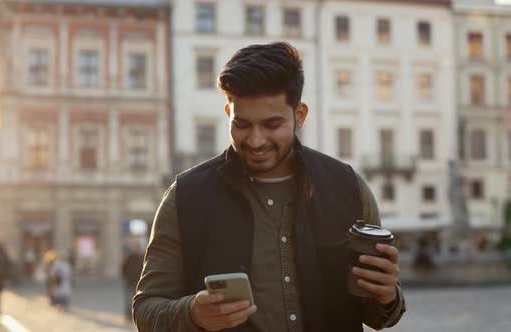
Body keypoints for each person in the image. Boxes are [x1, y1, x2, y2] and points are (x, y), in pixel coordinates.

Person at [133, 42, 406, 331]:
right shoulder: (185, 196)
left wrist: (387, 296)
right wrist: (193, 314)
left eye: (272, 124)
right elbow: (146, 310)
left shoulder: (348, 188)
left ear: (299, 115)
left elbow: (379, 316)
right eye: (242, 124)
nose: (256, 140)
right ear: (228, 113)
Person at [120, 243, 145, 320]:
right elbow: (123, 268)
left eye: (137, 248)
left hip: (138, 283)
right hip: (129, 282)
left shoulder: (142, 258)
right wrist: (126, 278)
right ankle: (128, 316)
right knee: (128, 299)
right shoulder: (129, 258)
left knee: (137, 300)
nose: (136, 250)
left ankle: (136, 315)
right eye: (135, 248)